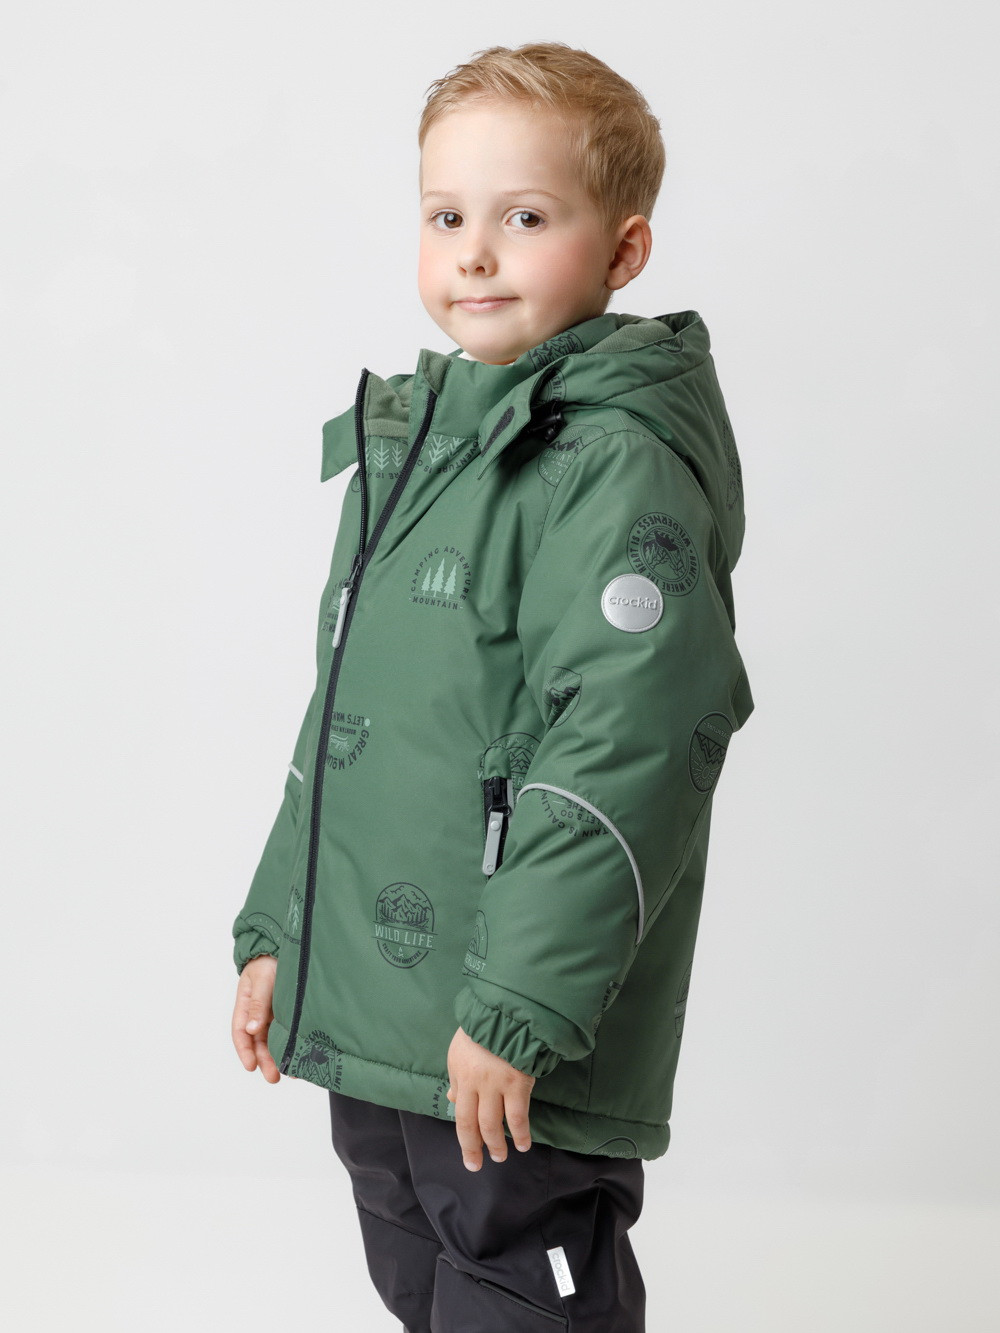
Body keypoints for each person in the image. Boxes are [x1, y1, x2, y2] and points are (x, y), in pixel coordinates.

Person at [229, 40, 754, 1333]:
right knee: (418, 1269)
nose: (474, 253)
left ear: (624, 250)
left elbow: (627, 745)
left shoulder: (615, 463)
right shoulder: (420, 445)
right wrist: (281, 929)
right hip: (386, 1006)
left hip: (510, 1019)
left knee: (520, 1276)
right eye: (446, 216)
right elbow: (346, 722)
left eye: (524, 218)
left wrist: (521, 1003)